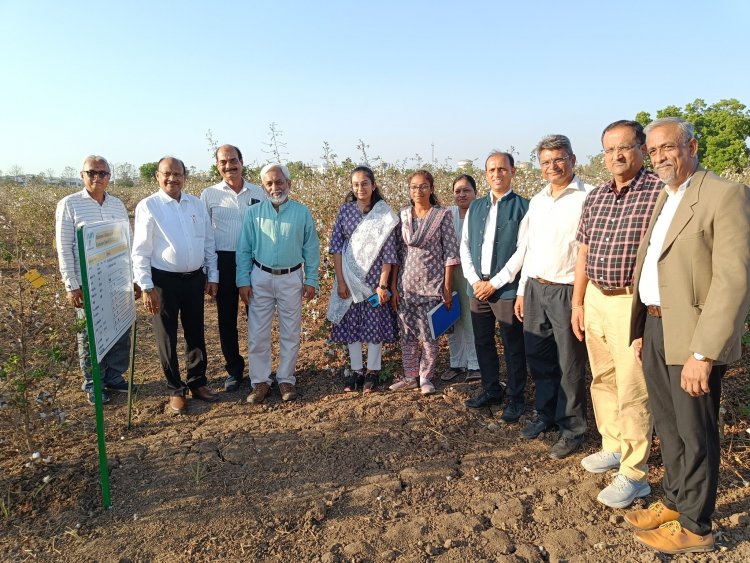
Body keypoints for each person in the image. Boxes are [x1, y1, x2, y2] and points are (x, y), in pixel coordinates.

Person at [626, 117, 750, 555]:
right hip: (658, 328)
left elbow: (732, 280)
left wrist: (703, 353)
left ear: (692, 147)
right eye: (654, 150)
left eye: (668, 148)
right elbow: (656, 267)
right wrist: (643, 328)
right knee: (670, 426)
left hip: (693, 336)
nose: (659, 157)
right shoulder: (667, 196)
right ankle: (676, 503)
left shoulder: (724, 194)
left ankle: (698, 527)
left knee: (695, 431)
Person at [571, 120, 661, 508]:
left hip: (631, 302)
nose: (616, 156)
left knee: (633, 387)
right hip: (595, 298)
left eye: (624, 148)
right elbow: (584, 253)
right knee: (603, 378)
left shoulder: (658, 192)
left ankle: (634, 473)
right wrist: (577, 302)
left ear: (641, 148)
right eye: (609, 150)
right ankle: (612, 443)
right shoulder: (596, 197)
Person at [514, 135, 592, 458]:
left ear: (572, 159)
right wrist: (521, 290)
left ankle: (572, 427)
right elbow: (528, 248)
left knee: (570, 362)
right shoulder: (537, 201)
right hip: (535, 288)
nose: (552, 166)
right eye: (545, 161)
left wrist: (580, 300)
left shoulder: (589, 197)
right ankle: (545, 414)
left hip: (566, 290)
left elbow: (587, 253)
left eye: (558, 159)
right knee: (539, 356)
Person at [132, 156, 219, 414]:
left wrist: (212, 276)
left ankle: (197, 382)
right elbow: (140, 250)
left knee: (196, 333)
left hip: (194, 279)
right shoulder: (149, 206)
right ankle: (175, 389)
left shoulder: (195, 204)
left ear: (185, 176)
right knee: (167, 337)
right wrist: (146, 286)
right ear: (157, 176)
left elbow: (207, 242)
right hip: (163, 281)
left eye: (178, 174)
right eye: (167, 174)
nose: (173, 179)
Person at [55, 155, 136, 405]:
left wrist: (132, 278)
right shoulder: (69, 204)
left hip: (117, 281)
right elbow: (63, 247)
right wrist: (72, 285)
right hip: (88, 284)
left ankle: (114, 376)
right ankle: (93, 382)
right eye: (92, 172)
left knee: (120, 329)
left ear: (109, 177)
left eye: (102, 173)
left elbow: (127, 243)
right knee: (91, 334)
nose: (97, 178)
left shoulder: (117, 205)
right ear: (82, 175)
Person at [237, 163, 320, 405]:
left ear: (289, 184)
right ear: (263, 187)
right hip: (260, 277)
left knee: (290, 331)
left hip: (291, 277)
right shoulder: (254, 213)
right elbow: (243, 250)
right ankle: (260, 382)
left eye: (279, 182)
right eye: (269, 183)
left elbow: (311, 249)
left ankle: (286, 378)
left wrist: (311, 279)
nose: (275, 187)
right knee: (258, 333)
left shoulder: (301, 212)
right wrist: (243, 280)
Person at [461, 152, 529, 424]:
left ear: (512, 172)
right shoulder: (476, 207)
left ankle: (516, 398)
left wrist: (496, 283)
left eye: (502, 169)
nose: (497, 174)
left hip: (506, 289)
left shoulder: (524, 207)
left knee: (513, 345)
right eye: (491, 169)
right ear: (486, 174)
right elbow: (465, 245)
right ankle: (491, 389)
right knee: (483, 342)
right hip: (477, 287)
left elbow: (523, 251)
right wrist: (474, 280)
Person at [327, 166, 399, 392]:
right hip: (349, 276)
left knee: (374, 325)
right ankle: (357, 370)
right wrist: (340, 281)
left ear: (373, 185)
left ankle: (373, 371)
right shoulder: (345, 211)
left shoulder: (384, 214)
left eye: (365, 183)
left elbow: (389, 253)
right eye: (356, 184)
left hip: (375, 279)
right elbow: (336, 247)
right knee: (352, 326)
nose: (360, 188)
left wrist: (383, 284)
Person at [201, 144, 266, 393]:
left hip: (254, 260)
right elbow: (206, 236)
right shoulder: (209, 195)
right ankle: (234, 371)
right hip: (224, 262)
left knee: (257, 318)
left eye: (233, 160)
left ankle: (259, 372)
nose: (229, 166)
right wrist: (210, 272)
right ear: (217, 165)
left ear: (242, 161)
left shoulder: (259, 191)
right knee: (227, 320)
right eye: (223, 162)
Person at [389, 170, 460, 395]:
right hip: (405, 285)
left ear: (431, 188)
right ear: (409, 190)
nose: (418, 191)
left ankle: (426, 377)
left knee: (430, 335)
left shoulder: (442, 215)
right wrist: (393, 286)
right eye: (413, 187)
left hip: (432, 284)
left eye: (423, 186)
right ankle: (410, 376)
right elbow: (397, 253)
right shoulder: (403, 216)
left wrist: (447, 287)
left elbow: (450, 253)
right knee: (407, 334)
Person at [440, 174, 481, 383]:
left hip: (473, 275)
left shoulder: (481, 213)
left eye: (466, 190)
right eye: (458, 191)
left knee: (471, 319)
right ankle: (456, 363)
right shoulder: (448, 214)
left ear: (476, 192)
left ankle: (475, 364)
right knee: (452, 319)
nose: (462, 194)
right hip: (450, 275)